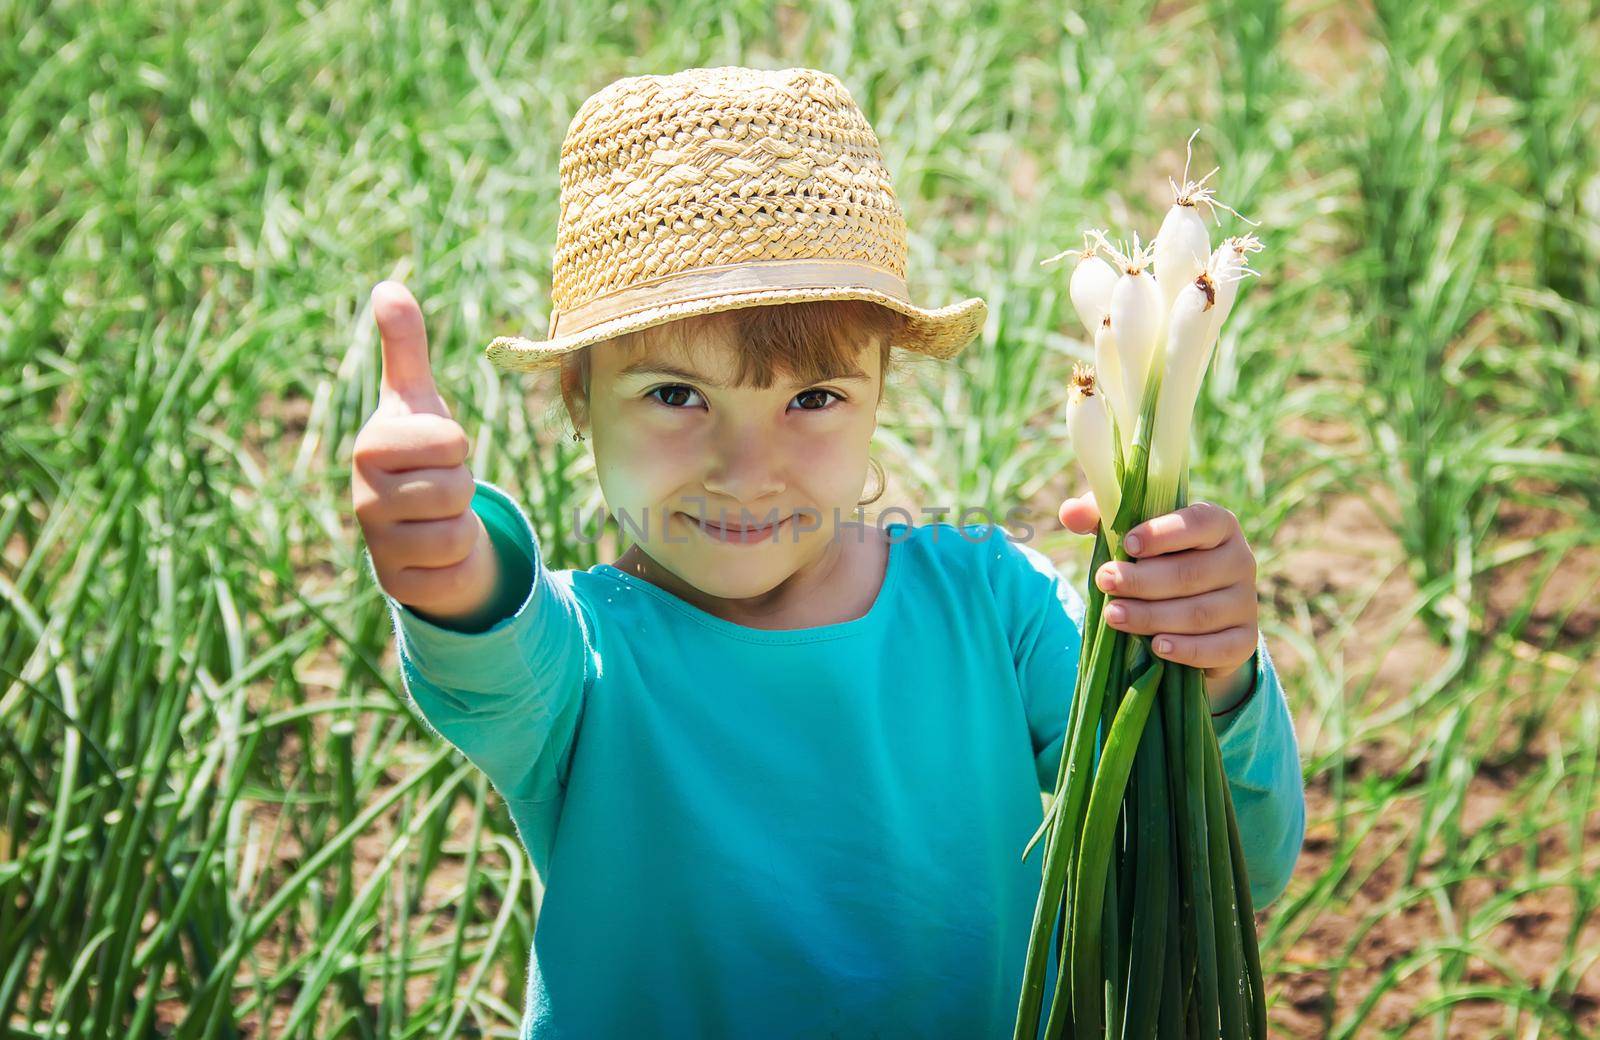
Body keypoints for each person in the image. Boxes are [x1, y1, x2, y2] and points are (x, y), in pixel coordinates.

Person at [350, 65, 1304, 1039]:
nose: (746, 467)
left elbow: (1235, 867)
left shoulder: (995, 608)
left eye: (812, 398)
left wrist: (1214, 673)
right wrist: (451, 549)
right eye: (676, 395)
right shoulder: (580, 664)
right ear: (577, 400)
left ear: (878, 390)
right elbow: (486, 640)